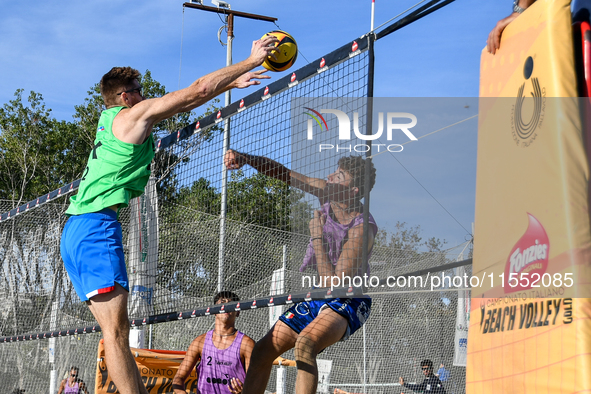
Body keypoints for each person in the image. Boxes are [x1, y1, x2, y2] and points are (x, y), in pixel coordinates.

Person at [59, 35, 279, 394]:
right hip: (96, 226)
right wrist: (251, 62)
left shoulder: (110, 120)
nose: (144, 94)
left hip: (77, 229)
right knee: (116, 333)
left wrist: (229, 82)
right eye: (138, 89)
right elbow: (196, 89)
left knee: (115, 331)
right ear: (125, 97)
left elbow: (189, 100)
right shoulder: (133, 116)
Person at [224, 150, 377, 394]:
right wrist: (246, 158)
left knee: (305, 344)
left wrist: (316, 235)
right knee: (263, 350)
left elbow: (334, 284)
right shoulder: (327, 192)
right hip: (319, 295)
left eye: (339, 175)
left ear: (353, 190)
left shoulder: (361, 229)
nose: (330, 177)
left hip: (348, 298)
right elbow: (285, 174)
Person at [172, 291, 255, 394]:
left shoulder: (247, 344)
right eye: (222, 302)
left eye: (231, 303)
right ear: (214, 311)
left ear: (238, 312)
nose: (226, 305)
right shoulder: (199, 342)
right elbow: (177, 379)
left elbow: (256, 386)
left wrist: (245, 391)